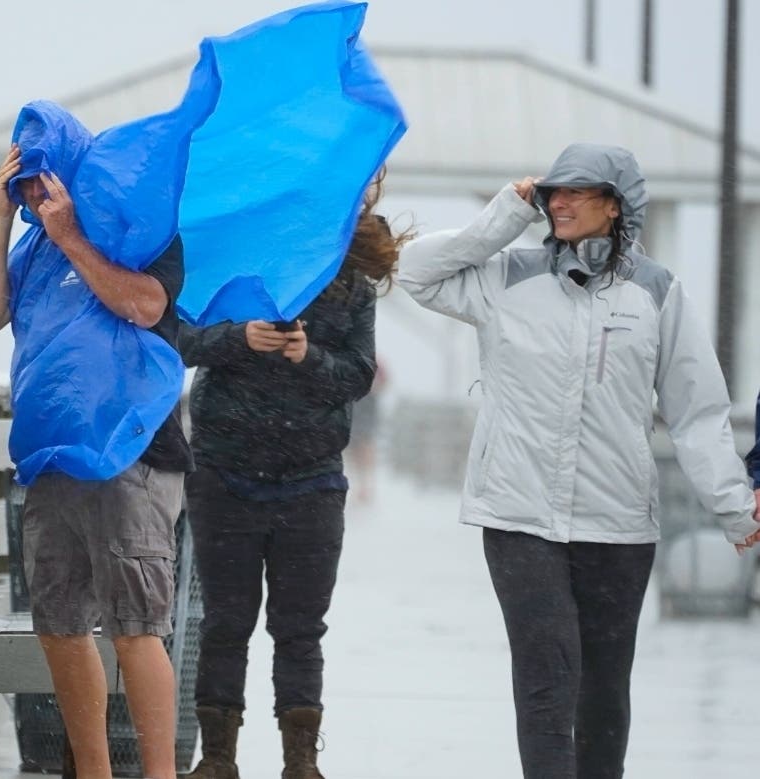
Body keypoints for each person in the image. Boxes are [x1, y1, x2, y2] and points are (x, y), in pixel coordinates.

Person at [397, 142, 760, 779]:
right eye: (551, 192)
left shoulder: (658, 293)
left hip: (618, 524)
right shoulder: (506, 275)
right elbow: (416, 271)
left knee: (602, 690)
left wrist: (735, 508)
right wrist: (508, 211)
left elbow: (697, 412)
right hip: (519, 517)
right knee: (545, 678)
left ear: (616, 206)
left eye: (576, 191)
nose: (557, 203)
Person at [0, 136, 193, 779]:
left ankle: (160, 775)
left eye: (46, 179)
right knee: (61, 627)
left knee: (137, 625)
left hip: (134, 450)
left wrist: (71, 236)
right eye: (27, 184)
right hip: (50, 453)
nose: (39, 193)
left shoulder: (142, 229)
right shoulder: (30, 247)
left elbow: (145, 305)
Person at [179, 174, 409, 779]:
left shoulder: (352, 289)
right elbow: (180, 339)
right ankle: (218, 758)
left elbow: (359, 374)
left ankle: (300, 760)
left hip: (311, 480)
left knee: (299, 628)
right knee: (226, 621)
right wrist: (240, 338)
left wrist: (308, 356)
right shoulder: (236, 272)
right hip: (225, 471)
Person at [347, 356, 388, 504]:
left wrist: (372, 387)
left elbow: (384, 382)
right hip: (354, 411)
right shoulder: (352, 358)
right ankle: (358, 485)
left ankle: (366, 486)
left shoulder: (376, 363)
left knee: (365, 448)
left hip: (366, 411)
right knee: (354, 450)